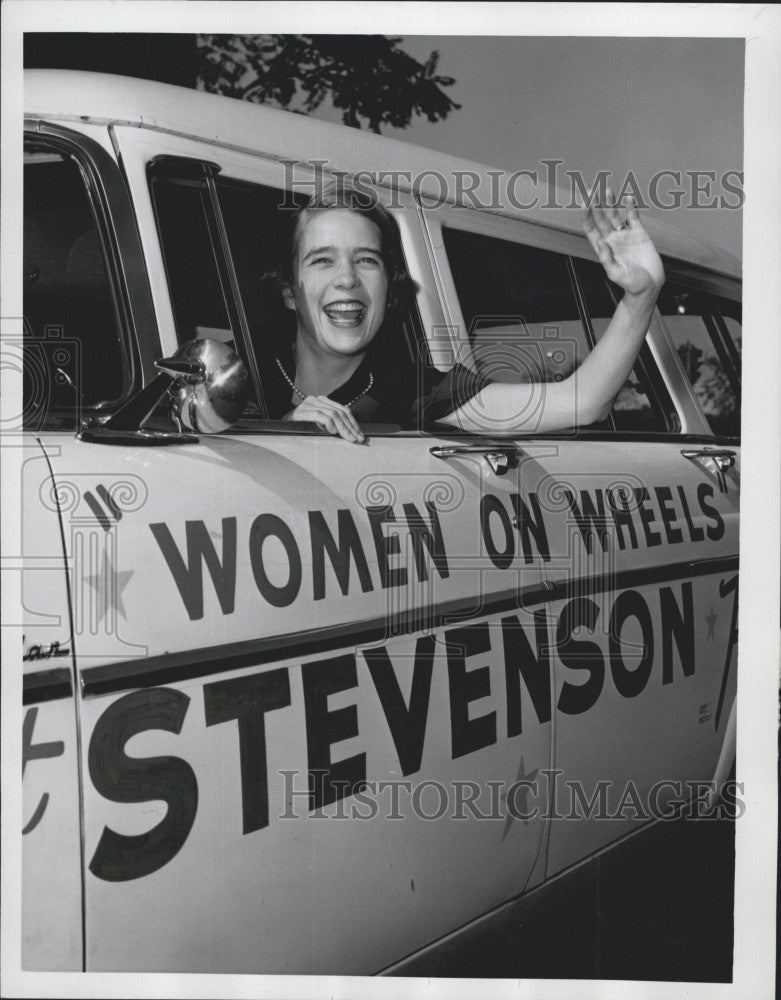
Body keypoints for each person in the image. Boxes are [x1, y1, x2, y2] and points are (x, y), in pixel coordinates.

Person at [265, 180, 664, 444]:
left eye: (367, 260)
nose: (347, 279)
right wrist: (284, 430)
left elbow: (581, 402)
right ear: (288, 292)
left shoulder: (414, 390)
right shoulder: (238, 372)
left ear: (389, 291)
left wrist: (641, 295)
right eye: (322, 261)